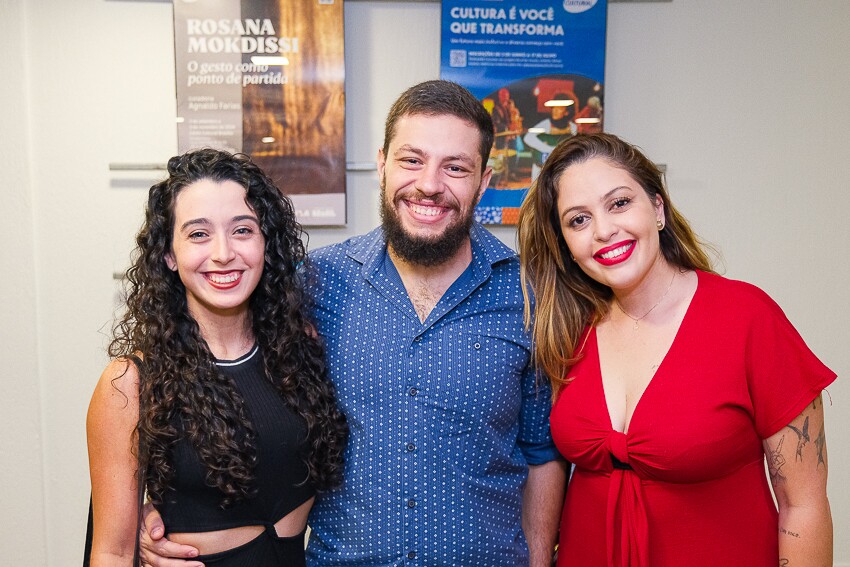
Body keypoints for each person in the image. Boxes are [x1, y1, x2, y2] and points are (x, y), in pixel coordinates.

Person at [140, 80, 566, 566]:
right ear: (382, 165)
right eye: (411, 160)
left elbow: (541, 451)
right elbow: (218, 385)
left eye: (455, 167)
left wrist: (537, 560)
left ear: (484, 181)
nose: (430, 184)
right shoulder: (315, 283)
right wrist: (157, 511)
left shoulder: (528, 298)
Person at [517, 132, 835, 566]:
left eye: (619, 203)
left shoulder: (748, 318)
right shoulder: (568, 330)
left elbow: (805, 506)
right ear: (567, 247)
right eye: (578, 220)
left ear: (658, 208)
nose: (604, 230)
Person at [86, 149, 347, 566]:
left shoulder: (299, 353)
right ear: (168, 255)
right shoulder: (129, 384)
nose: (224, 253)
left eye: (242, 230)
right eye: (198, 234)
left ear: (267, 243)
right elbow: (113, 552)